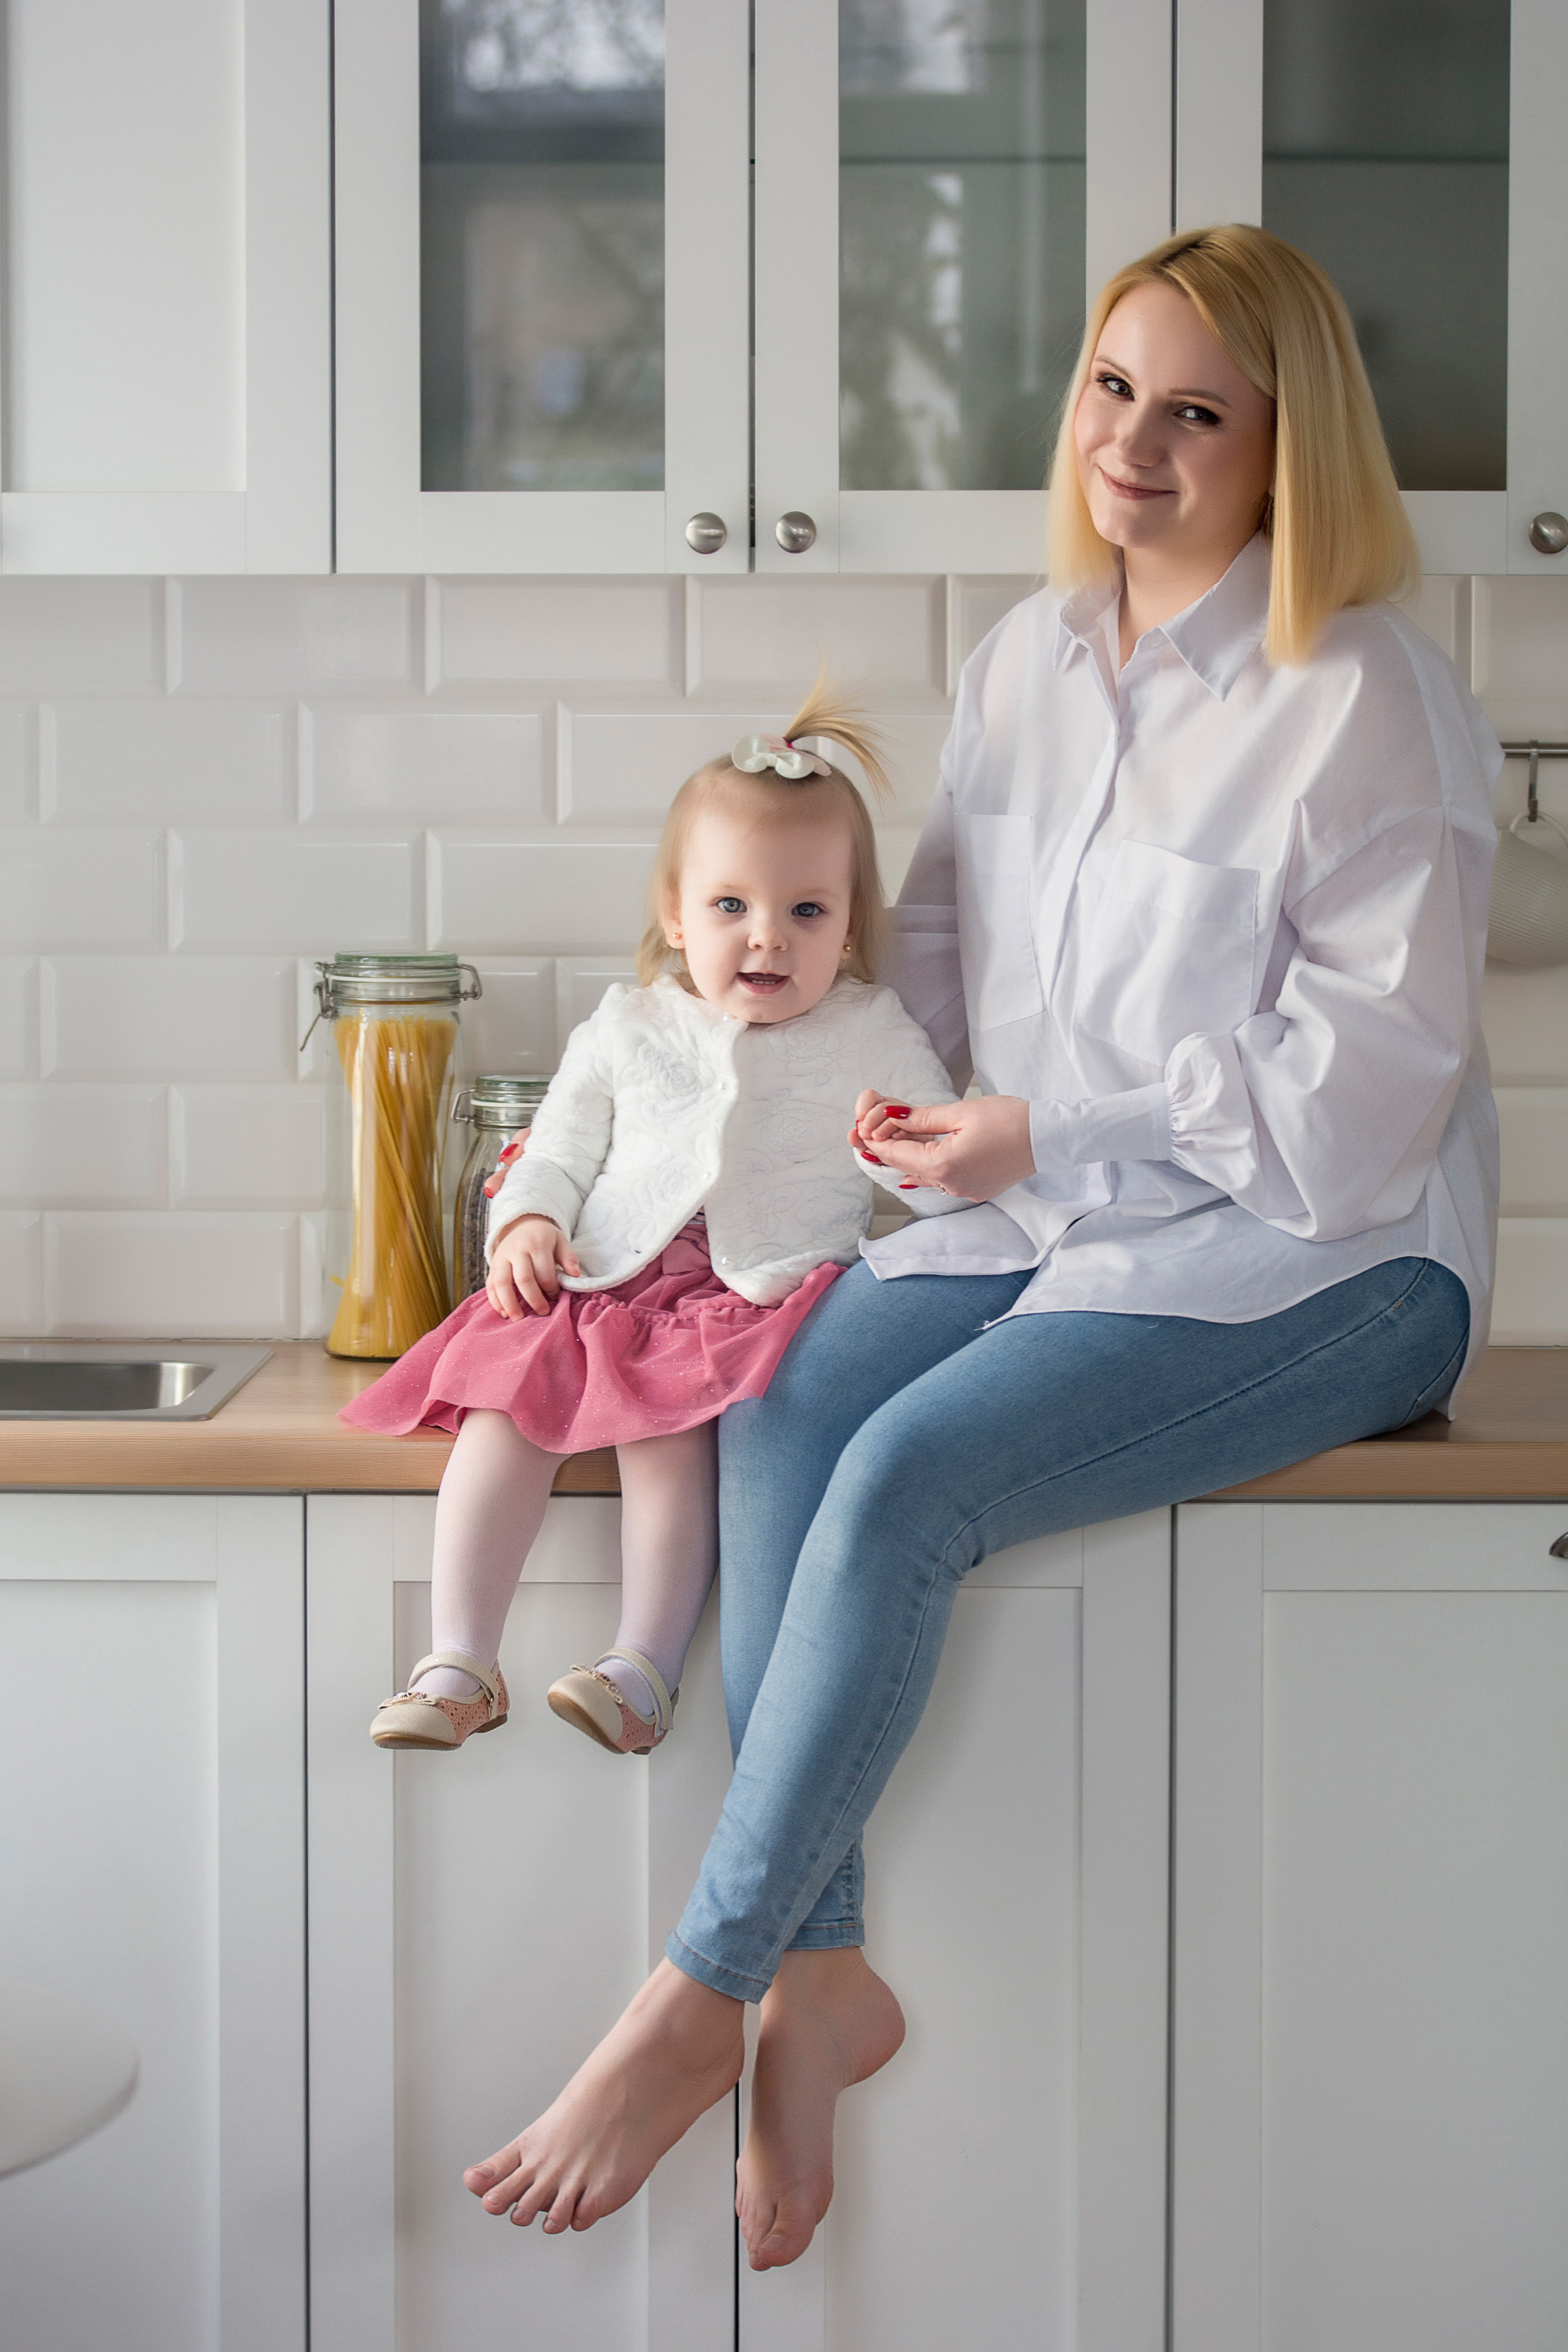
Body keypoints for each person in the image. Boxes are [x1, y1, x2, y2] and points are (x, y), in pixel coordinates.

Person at [461, 223, 1501, 2272]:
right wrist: (838, 1113)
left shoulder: (1377, 703)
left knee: (913, 1477)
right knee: (780, 1410)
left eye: (1197, 408)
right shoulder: (1034, 659)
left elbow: (1359, 1103)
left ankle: (700, 1994)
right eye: (1114, 388)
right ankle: (827, 1981)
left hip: (1321, 1256)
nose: (1136, 439)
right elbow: (933, 959)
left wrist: (1054, 1123)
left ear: (1291, 450)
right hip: (1037, 1217)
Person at [343, 688, 959, 1756]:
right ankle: (457, 1660)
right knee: (502, 1411)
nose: (767, 937)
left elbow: (941, 1164)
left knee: (665, 1435)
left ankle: (644, 1668)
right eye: (732, 907)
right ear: (677, 914)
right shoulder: (628, 1023)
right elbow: (558, 1147)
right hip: (602, 1280)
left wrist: (905, 1154)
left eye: (807, 912)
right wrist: (526, 1227)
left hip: (745, 1293)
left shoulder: (873, 1029)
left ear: (852, 926)